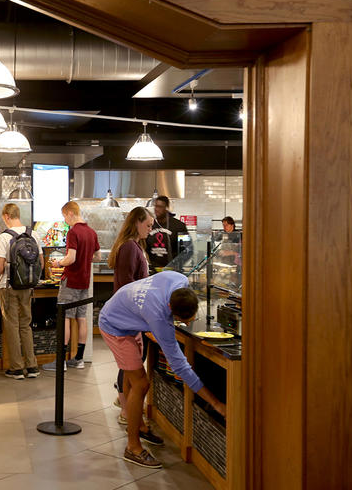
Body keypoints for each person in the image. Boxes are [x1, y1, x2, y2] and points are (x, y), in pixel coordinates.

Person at [98, 271, 226, 469]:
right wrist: (216, 403)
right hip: (114, 326)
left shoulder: (180, 281)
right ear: (169, 309)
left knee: (134, 376)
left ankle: (138, 426)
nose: (188, 324)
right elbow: (180, 366)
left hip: (127, 312)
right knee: (141, 383)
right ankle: (132, 447)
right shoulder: (158, 318)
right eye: (183, 321)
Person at [107, 206, 154, 425]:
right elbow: (127, 285)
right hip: (129, 316)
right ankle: (126, 407)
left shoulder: (134, 246)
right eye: (148, 225)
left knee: (131, 364)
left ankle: (126, 405)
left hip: (132, 315)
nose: (150, 229)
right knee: (131, 365)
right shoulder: (129, 248)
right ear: (136, 222)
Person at [44, 201, 100, 371]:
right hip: (85, 282)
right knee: (81, 318)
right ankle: (79, 359)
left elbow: (71, 258)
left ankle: (61, 362)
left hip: (72, 281)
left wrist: (57, 263)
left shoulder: (73, 232)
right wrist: (85, 260)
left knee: (65, 318)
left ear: (69, 213)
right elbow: (96, 257)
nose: (65, 221)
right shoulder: (91, 232)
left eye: (64, 217)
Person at [0, 203, 44, 379]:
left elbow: (0, 268)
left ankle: (16, 368)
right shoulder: (34, 235)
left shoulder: (4, 238)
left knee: (12, 325)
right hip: (28, 287)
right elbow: (41, 264)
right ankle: (32, 366)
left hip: (9, 287)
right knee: (26, 325)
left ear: (7, 216)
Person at [146, 195, 189, 270]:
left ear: (166, 208)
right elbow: (144, 247)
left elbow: (188, 248)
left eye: (160, 207)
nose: (156, 209)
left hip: (172, 270)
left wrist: (177, 264)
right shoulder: (150, 225)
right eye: (156, 206)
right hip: (153, 270)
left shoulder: (179, 226)